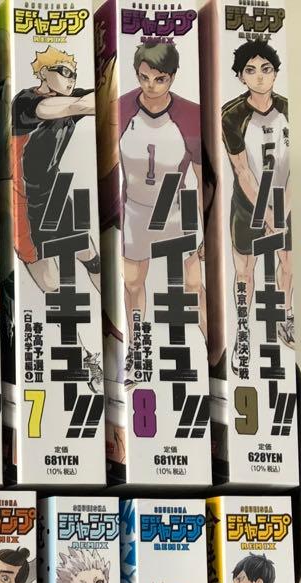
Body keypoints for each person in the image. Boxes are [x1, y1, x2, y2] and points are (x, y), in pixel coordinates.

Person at [117, 41, 207, 351]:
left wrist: (207, 232)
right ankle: (135, 348)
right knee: (131, 282)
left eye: (160, 79)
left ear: (172, 76)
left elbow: (202, 178)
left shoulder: (191, 115)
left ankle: (214, 349)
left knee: (193, 285)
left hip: (176, 207)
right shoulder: (119, 110)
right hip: (135, 208)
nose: (151, 86)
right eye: (143, 77)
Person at [215, 40, 293, 366]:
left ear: (275, 73)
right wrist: (268, 215)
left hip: (286, 200)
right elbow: (242, 170)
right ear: (240, 76)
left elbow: (297, 166)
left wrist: (283, 211)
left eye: (266, 69)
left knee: (289, 263)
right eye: (250, 70)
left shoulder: (289, 108)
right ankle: (242, 331)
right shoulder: (231, 115)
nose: (259, 76)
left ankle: (284, 315)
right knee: (244, 272)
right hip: (248, 206)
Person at [11, 47, 102, 295]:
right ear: (43, 72)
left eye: (74, 74)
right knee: (52, 286)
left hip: (55, 196)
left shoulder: (71, 99)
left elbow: (100, 100)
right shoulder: (25, 101)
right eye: (64, 72)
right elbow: (59, 108)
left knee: (92, 258)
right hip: (24, 204)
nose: (71, 79)